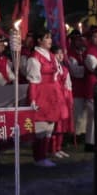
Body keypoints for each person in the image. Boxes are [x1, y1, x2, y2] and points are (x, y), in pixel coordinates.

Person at [25, 30, 70, 167]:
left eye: (50, 37)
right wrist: (33, 99)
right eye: (46, 38)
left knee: (50, 125)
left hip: (53, 93)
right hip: (41, 93)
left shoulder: (51, 55)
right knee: (41, 126)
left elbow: (57, 74)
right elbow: (33, 81)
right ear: (39, 40)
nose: (50, 40)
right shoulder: (34, 58)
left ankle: (44, 155)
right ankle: (39, 157)